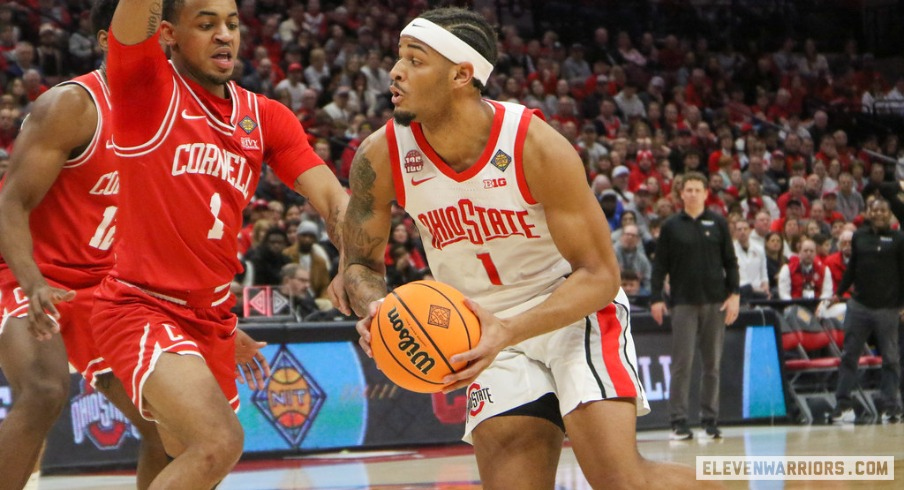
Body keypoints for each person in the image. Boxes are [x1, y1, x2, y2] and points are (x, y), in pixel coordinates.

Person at [340, 7, 701, 489]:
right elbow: (359, 264)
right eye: (399, 57)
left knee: (620, 480)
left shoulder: (535, 146)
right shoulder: (381, 154)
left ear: (461, 75)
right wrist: (377, 308)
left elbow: (599, 275)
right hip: (477, 328)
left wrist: (508, 330)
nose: (395, 71)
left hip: (570, 312)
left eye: (415, 59)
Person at [89, 0, 348, 486]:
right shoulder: (145, 87)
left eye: (231, 24)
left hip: (210, 319)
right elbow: (132, 24)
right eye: (206, 25)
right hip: (140, 305)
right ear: (169, 34)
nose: (224, 35)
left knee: (186, 459)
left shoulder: (264, 117)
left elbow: (333, 198)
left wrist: (352, 259)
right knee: (219, 442)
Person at [650, 171, 740, 440]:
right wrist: (656, 298)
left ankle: (710, 420)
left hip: (715, 303)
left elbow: (730, 262)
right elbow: (659, 265)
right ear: (681, 194)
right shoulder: (671, 226)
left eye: (697, 190)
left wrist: (734, 294)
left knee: (712, 365)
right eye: (688, 190)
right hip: (683, 303)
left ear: (706, 193)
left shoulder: (718, 222)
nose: (692, 194)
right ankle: (678, 421)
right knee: (682, 364)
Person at [832, 199, 904, 421]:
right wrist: (838, 292)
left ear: (889, 214)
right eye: (875, 210)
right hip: (859, 306)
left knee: (891, 359)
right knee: (849, 356)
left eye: (883, 210)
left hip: (888, 309)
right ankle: (843, 405)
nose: (879, 213)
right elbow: (852, 267)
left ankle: (889, 406)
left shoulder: (898, 239)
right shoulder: (859, 236)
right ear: (868, 213)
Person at [733, 219, 770, 302]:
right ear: (735, 232)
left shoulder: (759, 249)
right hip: (740, 290)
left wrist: (765, 287)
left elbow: (764, 273)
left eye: (745, 229)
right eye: (739, 229)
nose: (742, 232)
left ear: (749, 231)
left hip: (758, 290)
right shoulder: (730, 250)